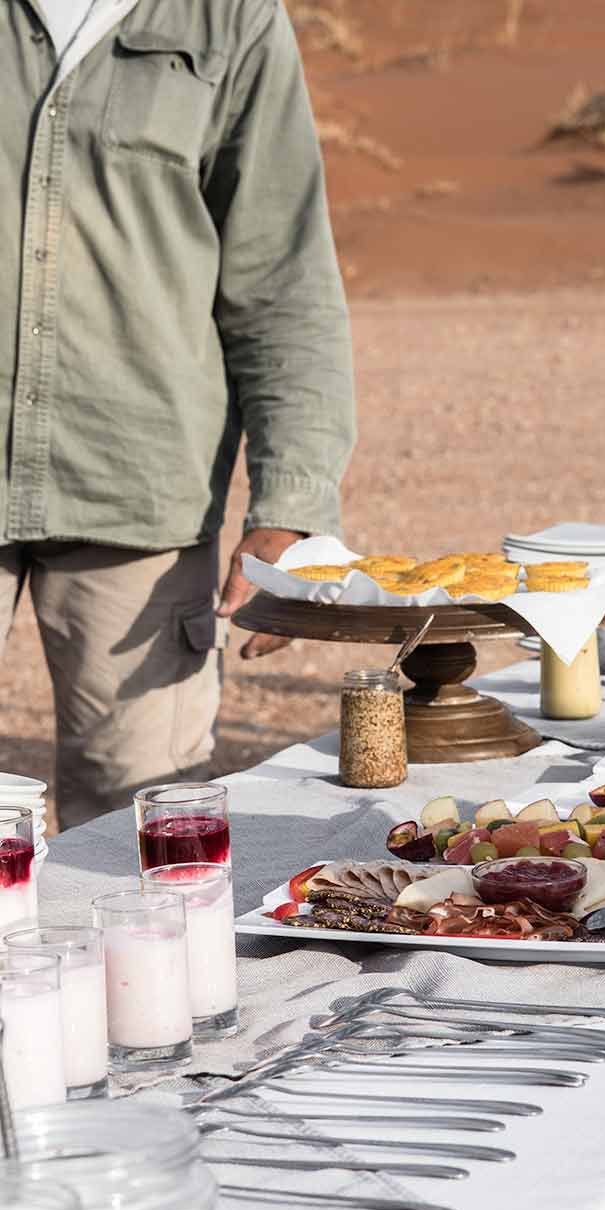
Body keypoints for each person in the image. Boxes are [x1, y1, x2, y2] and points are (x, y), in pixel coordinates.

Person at [1, 0, 356, 827]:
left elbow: (284, 280)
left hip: (140, 489)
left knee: (141, 834)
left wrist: (293, 505)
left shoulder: (229, 23)